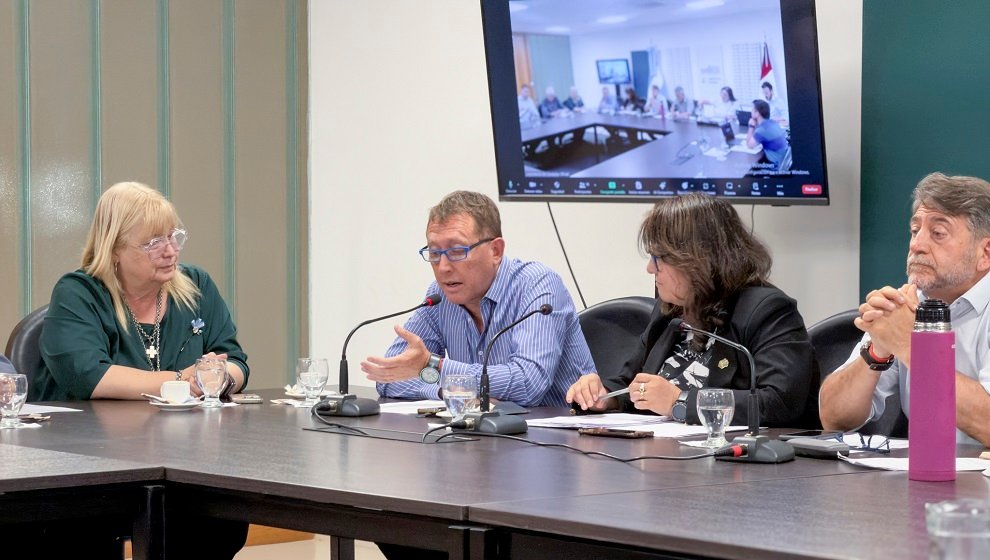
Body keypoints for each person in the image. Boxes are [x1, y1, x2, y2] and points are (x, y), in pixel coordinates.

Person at [32, 181, 249, 558]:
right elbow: (88, 375)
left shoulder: (196, 286)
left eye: (173, 237)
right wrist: (181, 380)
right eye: (152, 243)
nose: (170, 251)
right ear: (114, 247)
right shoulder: (79, 292)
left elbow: (236, 360)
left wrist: (221, 376)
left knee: (221, 521)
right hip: (89, 464)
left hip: (181, 460)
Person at [567, 193, 817, 428]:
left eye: (658, 258)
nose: (650, 269)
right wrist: (606, 396)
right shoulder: (671, 311)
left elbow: (779, 403)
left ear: (696, 259)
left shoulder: (768, 311)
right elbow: (631, 383)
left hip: (732, 457)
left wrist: (680, 401)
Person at [362, 190, 594, 408]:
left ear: (496, 251)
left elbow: (528, 383)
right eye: (434, 253)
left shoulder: (537, 285)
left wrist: (434, 366)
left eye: (457, 251)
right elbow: (388, 377)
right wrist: (447, 391)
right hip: (481, 432)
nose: (443, 267)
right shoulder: (440, 297)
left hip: (558, 433)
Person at [819, 173, 990, 447]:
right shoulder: (907, 305)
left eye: (938, 234)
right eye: (915, 231)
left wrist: (910, 347)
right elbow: (834, 418)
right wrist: (878, 350)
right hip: (925, 467)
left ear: (985, 254)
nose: (917, 245)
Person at [746, 99, 789, 170]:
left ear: (757, 113)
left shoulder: (763, 129)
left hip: (774, 167)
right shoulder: (772, 123)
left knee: (749, 169)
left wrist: (751, 126)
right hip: (782, 162)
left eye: (752, 110)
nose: (751, 111)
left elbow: (749, 145)